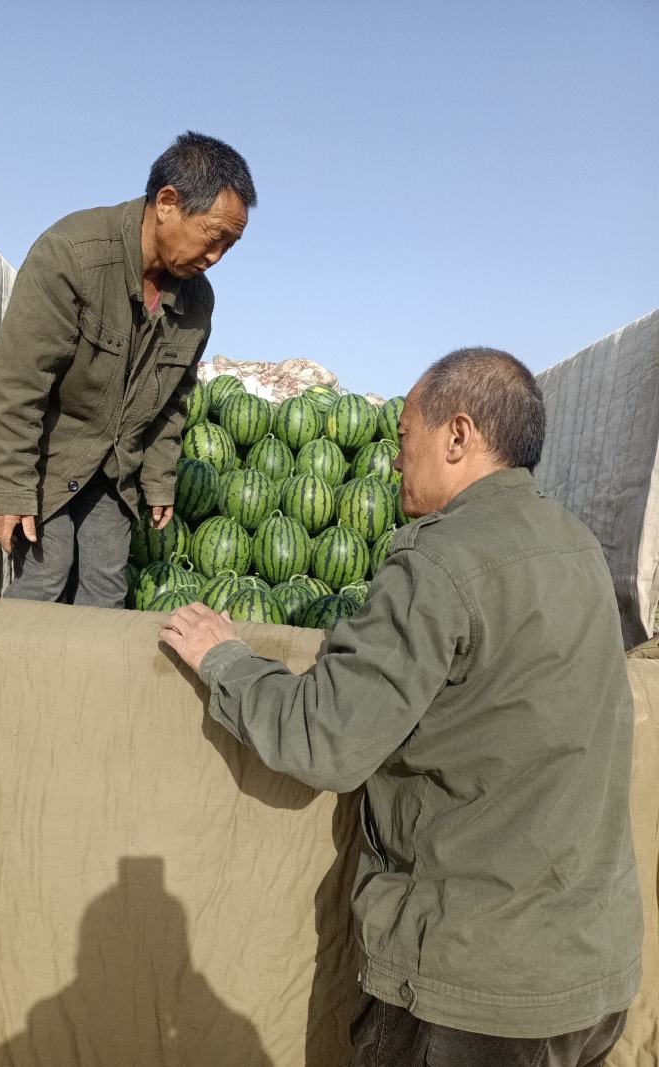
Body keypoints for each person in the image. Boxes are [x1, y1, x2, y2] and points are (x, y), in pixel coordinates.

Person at [159, 348, 642, 1066]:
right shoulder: (577, 547)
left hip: (474, 993)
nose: (393, 458)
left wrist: (224, 658)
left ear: (458, 435)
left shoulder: (439, 562)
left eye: (405, 434)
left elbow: (325, 739)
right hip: (592, 973)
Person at [0, 131, 256, 607]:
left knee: (105, 593)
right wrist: (9, 486)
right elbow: (18, 381)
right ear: (167, 201)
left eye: (230, 246)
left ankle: (80, 684)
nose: (216, 258)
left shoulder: (197, 300)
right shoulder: (73, 255)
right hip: (51, 457)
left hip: (115, 468)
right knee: (46, 579)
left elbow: (173, 402)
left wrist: (159, 480)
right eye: (213, 238)